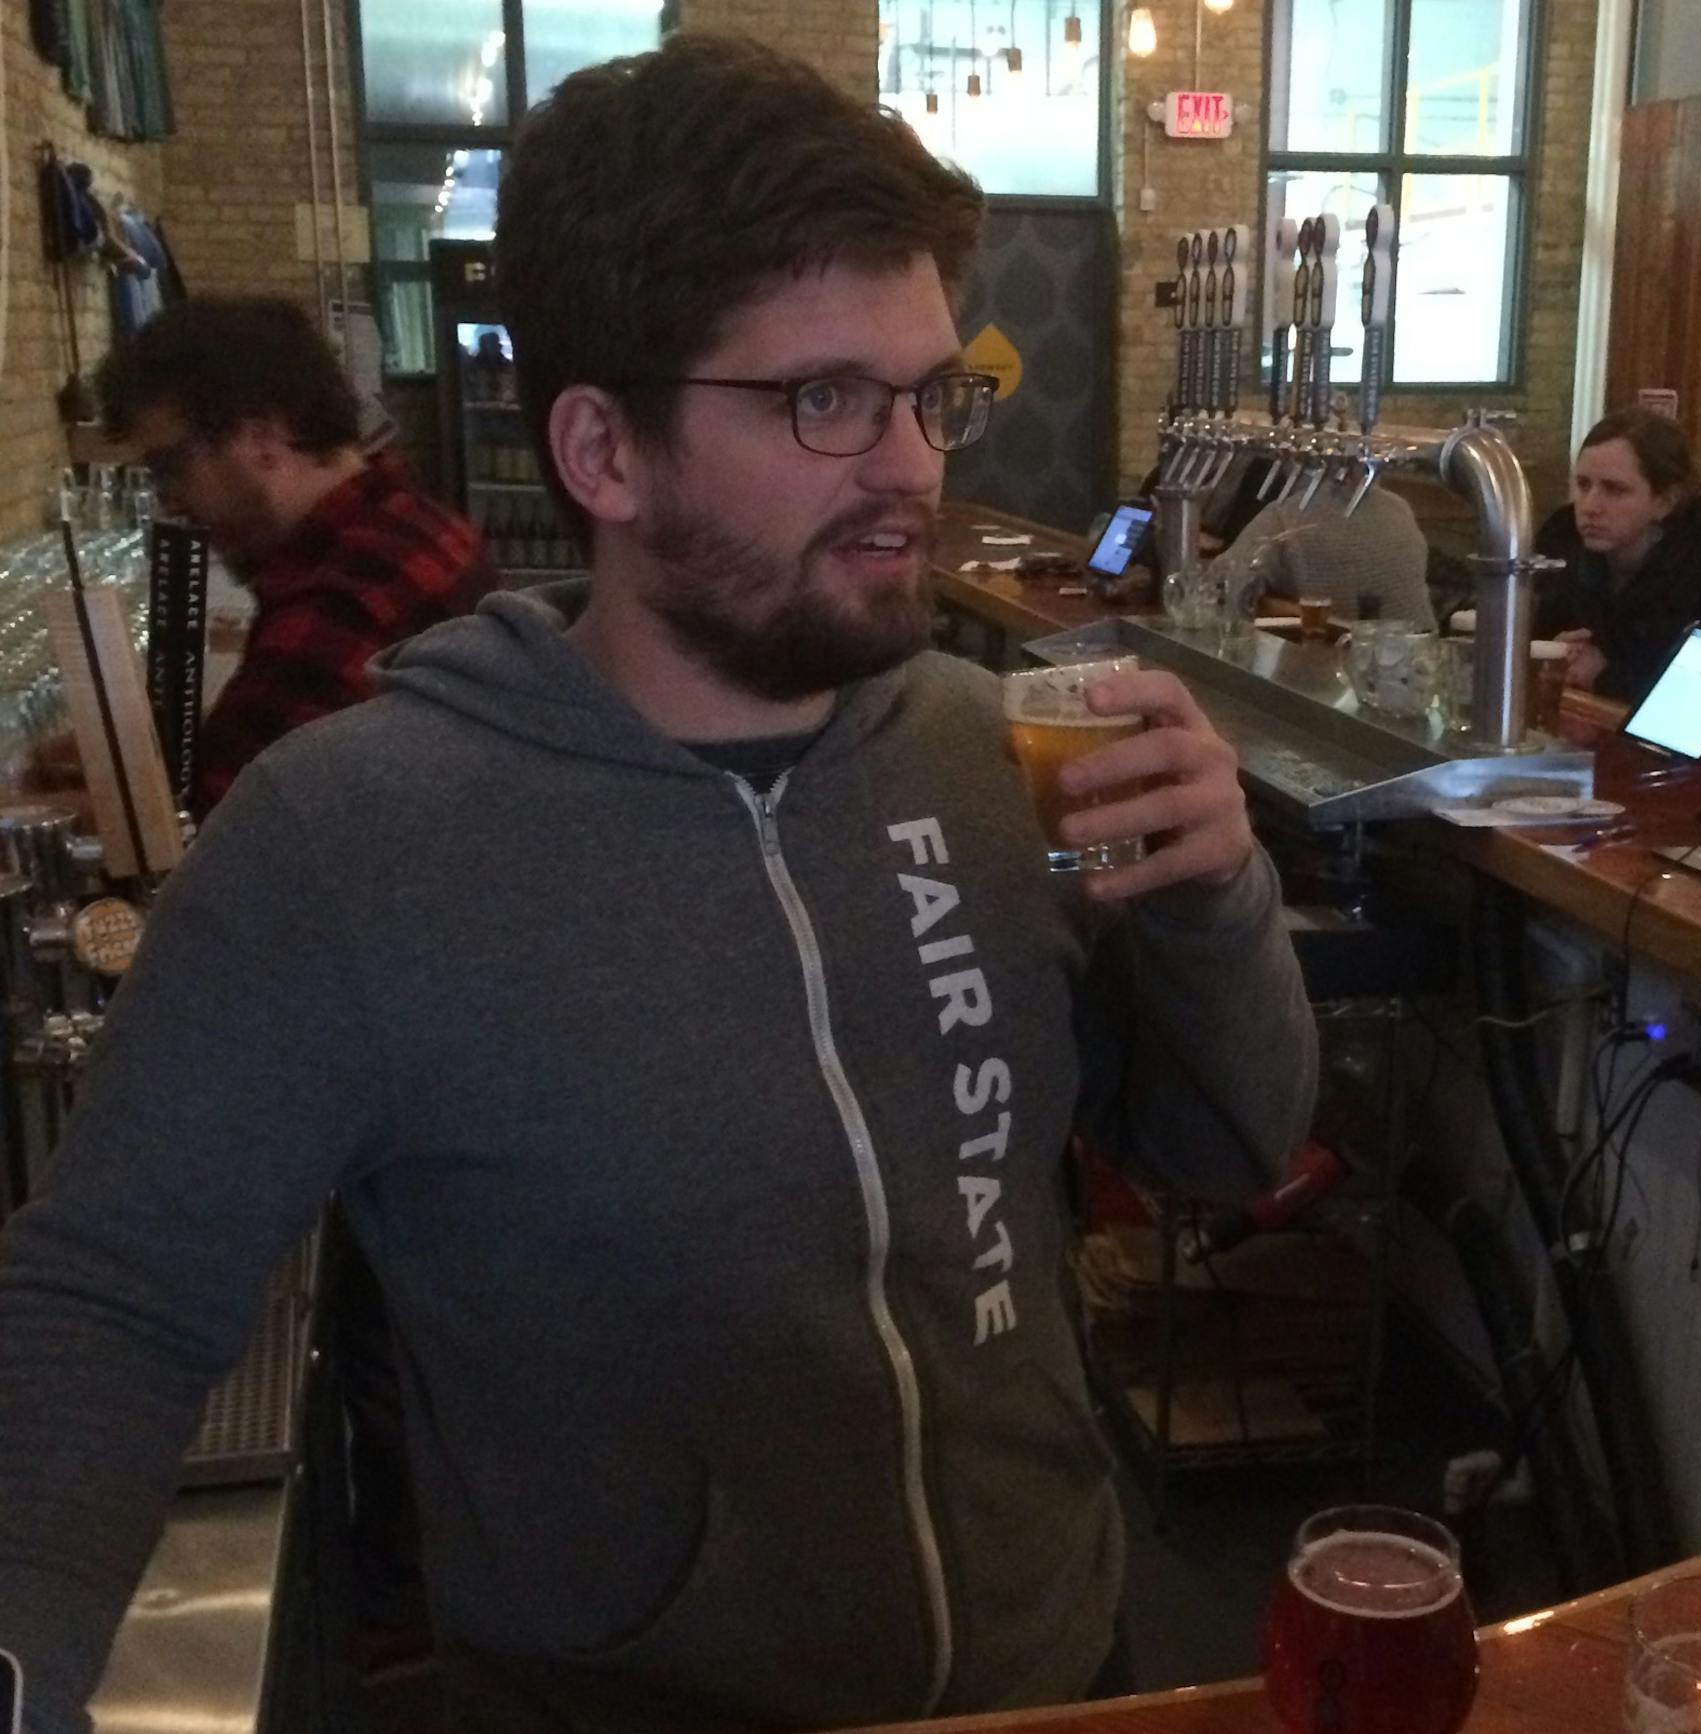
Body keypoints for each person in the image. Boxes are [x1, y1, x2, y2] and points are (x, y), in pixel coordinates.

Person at [0, 34, 1318, 1734]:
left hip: (1065, 1672)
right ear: (603, 451)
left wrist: (1216, 903)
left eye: (930, 394)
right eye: (825, 399)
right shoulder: (348, 839)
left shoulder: (988, 751)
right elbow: (106, 1303)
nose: (913, 465)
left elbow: (1226, 1146)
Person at [95, 295, 496, 814]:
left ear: (262, 437)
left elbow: (228, 828)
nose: (167, 499)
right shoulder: (417, 523)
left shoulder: (343, 599)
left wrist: (109, 803)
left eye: (170, 467)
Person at [1534, 408, 1701, 701]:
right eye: (1583, 485)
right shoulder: (1561, 545)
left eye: (1614, 490)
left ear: (1664, 502)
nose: (1590, 506)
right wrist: (1551, 654)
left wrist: (1607, 676)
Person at [1207, 481, 1434, 627]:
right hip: (1419, 660)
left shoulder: (1285, 516)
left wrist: (1273, 607)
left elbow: (1222, 588)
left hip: (1334, 665)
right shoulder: (1399, 508)